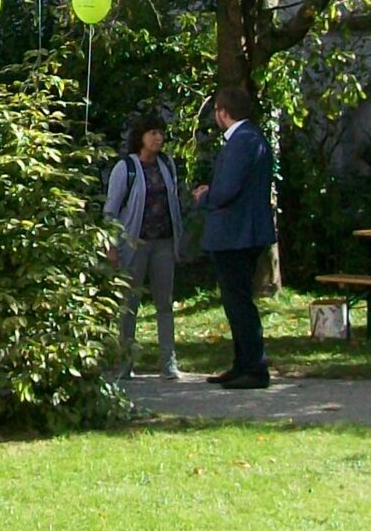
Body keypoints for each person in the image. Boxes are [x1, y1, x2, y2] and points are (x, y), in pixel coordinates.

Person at [193, 87, 276, 390]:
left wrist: (205, 196)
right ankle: (242, 364)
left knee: (239, 301)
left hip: (237, 234)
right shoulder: (251, 138)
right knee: (235, 300)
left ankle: (254, 368)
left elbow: (227, 190)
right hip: (242, 232)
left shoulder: (242, 141)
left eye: (216, 110)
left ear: (223, 112)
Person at [102, 113, 186, 380]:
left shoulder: (166, 164)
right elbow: (111, 211)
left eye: (161, 133)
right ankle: (125, 362)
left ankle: (168, 362)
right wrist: (112, 246)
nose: (158, 138)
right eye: (152, 133)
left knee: (165, 303)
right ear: (141, 137)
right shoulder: (125, 168)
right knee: (130, 304)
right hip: (134, 245)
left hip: (163, 242)